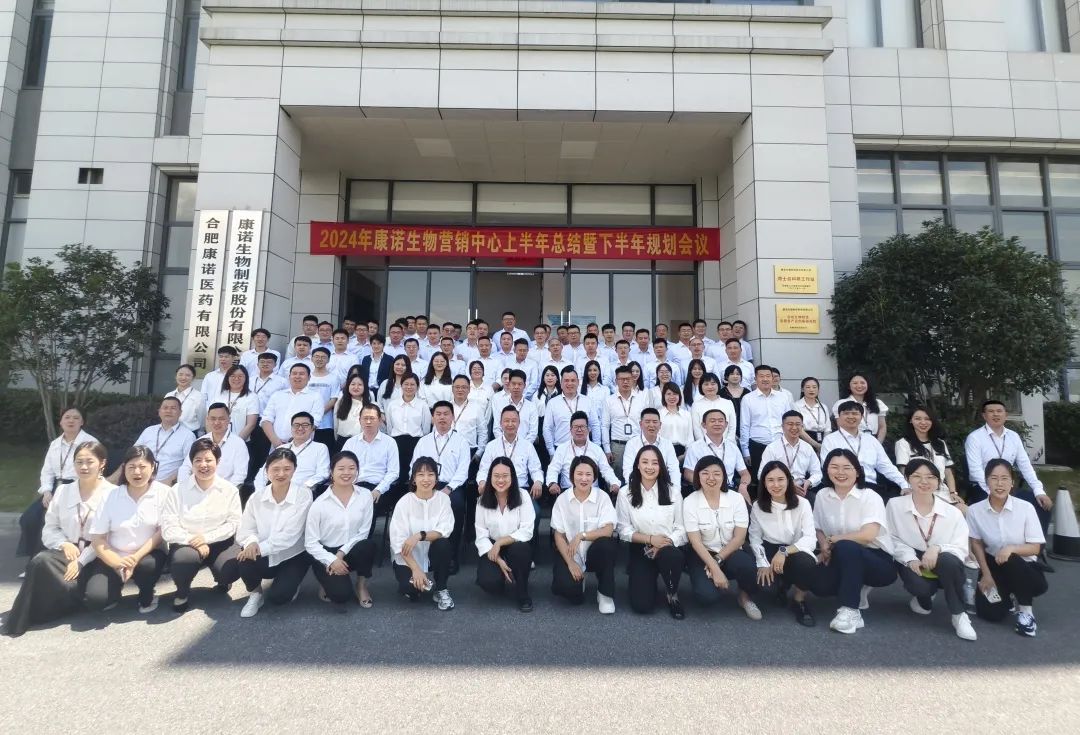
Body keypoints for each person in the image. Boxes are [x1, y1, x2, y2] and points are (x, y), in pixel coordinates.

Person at [4, 441, 112, 636]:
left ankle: (78, 595)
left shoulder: (112, 493)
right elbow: (50, 527)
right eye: (79, 462)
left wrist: (81, 561)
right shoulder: (63, 491)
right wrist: (64, 544)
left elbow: (109, 536)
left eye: (89, 462)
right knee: (40, 561)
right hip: (69, 551)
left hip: (98, 553)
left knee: (97, 599)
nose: (84, 467)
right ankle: (27, 616)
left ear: (102, 463)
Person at [886, 458, 977, 641]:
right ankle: (925, 596)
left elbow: (960, 547)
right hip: (911, 555)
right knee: (921, 588)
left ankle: (959, 615)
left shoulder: (952, 512)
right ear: (907, 479)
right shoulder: (895, 505)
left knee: (949, 562)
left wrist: (937, 548)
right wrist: (910, 558)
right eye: (917, 476)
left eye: (930, 477)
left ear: (938, 481)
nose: (924, 481)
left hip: (942, 558)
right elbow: (891, 537)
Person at [812, 449, 897, 635]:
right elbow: (818, 528)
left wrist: (834, 539)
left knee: (846, 546)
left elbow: (868, 535)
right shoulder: (822, 496)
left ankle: (850, 610)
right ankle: (856, 586)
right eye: (834, 467)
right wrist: (824, 545)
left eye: (847, 467)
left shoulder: (870, 496)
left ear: (857, 471)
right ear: (826, 470)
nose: (840, 472)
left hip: (877, 560)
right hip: (839, 554)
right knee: (819, 586)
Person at [160, 437, 242, 614]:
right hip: (187, 542)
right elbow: (168, 528)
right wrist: (193, 540)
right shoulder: (177, 490)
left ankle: (223, 580)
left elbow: (234, 523)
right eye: (198, 460)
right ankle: (182, 592)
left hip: (219, 540)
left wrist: (206, 538)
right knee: (183, 559)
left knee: (231, 568)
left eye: (208, 460)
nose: (203, 465)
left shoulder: (229, 490)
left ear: (218, 462)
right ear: (191, 463)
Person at [967, 459, 1048, 637]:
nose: (1000, 483)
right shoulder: (974, 511)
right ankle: (1008, 597)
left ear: (1012, 482)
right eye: (994, 478)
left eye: (1005, 478)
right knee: (989, 614)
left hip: (1025, 568)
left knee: (1010, 558)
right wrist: (986, 574)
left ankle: (1026, 612)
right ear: (986, 481)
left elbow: (1036, 548)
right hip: (994, 564)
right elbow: (977, 543)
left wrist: (1011, 548)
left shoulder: (1026, 508)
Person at [83, 446, 168, 614]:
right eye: (131, 467)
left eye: (142, 467)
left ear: (153, 467)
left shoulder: (163, 493)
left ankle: (147, 593)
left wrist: (135, 558)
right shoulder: (110, 496)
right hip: (113, 555)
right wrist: (117, 563)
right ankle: (115, 590)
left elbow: (160, 532)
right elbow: (98, 538)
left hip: (146, 554)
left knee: (147, 566)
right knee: (96, 600)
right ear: (124, 468)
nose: (137, 472)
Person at [234, 448, 313, 617]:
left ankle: (293, 583)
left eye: (287, 469)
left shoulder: (303, 495)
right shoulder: (257, 497)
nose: (281, 474)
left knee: (280, 598)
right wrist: (251, 543)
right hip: (264, 551)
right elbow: (246, 527)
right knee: (244, 559)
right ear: (267, 471)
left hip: (293, 554)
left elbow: (290, 535)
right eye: (275, 469)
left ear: (294, 470)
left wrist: (257, 549)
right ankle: (256, 594)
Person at [683, 455, 761, 619]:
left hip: (731, 550)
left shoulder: (736, 499)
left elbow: (739, 538)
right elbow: (696, 542)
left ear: (724, 476)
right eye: (705, 473)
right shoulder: (690, 501)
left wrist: (718, 561)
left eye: (716, 473)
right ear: (697, 476)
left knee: (748, 569)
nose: (711, 478)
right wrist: (714, 568)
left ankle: (744, 597)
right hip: (703, 553)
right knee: (706, 596)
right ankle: (712, 581)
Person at [17, 408, 97, 561]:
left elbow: (93, 470)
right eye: (67, 417)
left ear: (82, 422)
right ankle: (33, 558)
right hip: (55, 487)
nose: (71, 420)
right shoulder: (55, 444)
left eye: (76, 418)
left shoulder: (90, 443)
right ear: (61, 422)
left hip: (77, 487)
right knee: (29, 518)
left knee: (47, 519)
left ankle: (47, 560)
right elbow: (47, 471)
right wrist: (47, 491)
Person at [616, 445, 687, 618]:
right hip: (641, 547)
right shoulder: (625, 493)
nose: (650, 467)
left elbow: (682, 529)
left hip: (668, 547)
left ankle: (672, 594)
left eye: (655, 463)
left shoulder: (673, 492)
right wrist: (650, 539)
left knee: (672, 556)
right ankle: (649, 579)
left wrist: (662, 543)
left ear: (661, 466)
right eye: (645, 462)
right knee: (642, 605)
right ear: (637, 465)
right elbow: (623, 529)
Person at [964, 400, 1052, 534]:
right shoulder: (975, 438)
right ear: (984, 416)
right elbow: (975, 470)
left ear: (1005, 415)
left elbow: (1025, 465)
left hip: (1008, 487)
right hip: (983, 488)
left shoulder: (1013, 436)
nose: (995, 414)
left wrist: (1039, 490)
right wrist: (993, 491)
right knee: (995, 508)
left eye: (999, 411)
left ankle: (1036, 544)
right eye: (991, 411)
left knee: (1041, 504)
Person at [304, 451, 376, 611]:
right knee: (341, 596)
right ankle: (325, 581)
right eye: (341, 468)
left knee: (368, 545)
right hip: (325, 553)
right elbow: (310, 543)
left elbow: (364, 532)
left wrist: (341, 553)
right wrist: (332, 560)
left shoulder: (365, 495)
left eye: (352, 468)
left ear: (357, 471)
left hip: (350, 549)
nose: (346, 472)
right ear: (331, 472)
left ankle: (361, 586)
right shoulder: (319, 503)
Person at [749, 461, 819, 627]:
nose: (776, 485)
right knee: (765, 588)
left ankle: (799, 600)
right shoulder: (758, 506)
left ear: (789, 480)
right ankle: (781, 585)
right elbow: (755, 538)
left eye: (780, 479)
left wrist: (784, 551)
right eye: (770, 480)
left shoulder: (803, 504)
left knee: (807, 564)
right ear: (764, 483)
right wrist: (762, 563)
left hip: (795, 550)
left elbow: (810, 538)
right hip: (769, 549)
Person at [549, 456, 618, 613]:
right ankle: (580, 580)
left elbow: (608, 530)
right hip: (571, 553)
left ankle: (605, 593)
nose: (584, 478)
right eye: (579, 474)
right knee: (569, 591)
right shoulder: (562, 500)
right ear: (572, 475)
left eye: (588, 474)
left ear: (594, 477)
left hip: (595, 551)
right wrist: (570, 563)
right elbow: (559, 535)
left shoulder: (602, 497)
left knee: (607, 545)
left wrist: (582, 535)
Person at [410, 401, 471, 573]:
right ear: (432, 418)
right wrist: (422, 486)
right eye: (438, 414)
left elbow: (463, 471)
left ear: (452, 417)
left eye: (446, 414)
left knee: (456, 505)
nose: (442, 417)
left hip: (451, 486)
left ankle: (451, 556)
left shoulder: (461, 442)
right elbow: (413, 467)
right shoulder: (423, 441)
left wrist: (448, 489)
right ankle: (423, 555)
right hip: (426, 484)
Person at [389, 457, 456, 610]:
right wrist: (416, 569)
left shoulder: (443, 499)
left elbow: (445, 529)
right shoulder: (404, 502)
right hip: (408, 558)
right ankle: (413, 584)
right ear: (413, 479)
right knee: (411, 590)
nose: (426, 479)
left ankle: (441, 588)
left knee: (443, 544)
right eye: (421, 475)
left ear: (436, 478)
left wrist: (420, 535)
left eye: (431, 474)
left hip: (433, 553)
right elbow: (398, 542)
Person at [474, 457, 536, 612]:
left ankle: (522, 592)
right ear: (490, 477)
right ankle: (502, 575)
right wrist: (499, 560)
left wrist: (500, 542)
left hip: (515, 543)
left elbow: (527, 530)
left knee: (520, 550)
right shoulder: (482, 501)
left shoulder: (523, 496)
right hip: (492, 546)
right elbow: (481, 535)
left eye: (505, 476)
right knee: (489, 582)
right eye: (496, 476)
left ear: (512, 477)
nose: (500, 480)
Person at [818, 401, 909, 499]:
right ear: (838, 417)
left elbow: (886, 466)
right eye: (846, 413)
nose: (851, 416)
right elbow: (827, 467)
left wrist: (904, 484)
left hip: (870, 486)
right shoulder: (830, 440)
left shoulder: (871, 440)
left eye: (855, 413)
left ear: (861, 417)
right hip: (842, 486)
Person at [341, 404, 401, 526]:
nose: (368, 422)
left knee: (365, 509)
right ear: (359, 420)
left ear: (379, 420)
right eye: (365, 418)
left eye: (372, 418)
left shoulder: (390, 443)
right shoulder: (350, 443)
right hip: (353, 486)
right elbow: (341, 467)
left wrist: (379, 490)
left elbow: (393, 472)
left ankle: (361, 538)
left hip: (377, 487)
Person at [894, 407, 962, 508]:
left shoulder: (940, 443)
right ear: (910, 421)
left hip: (942, 492)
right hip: (918, 491)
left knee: (965, 510)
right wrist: (908, 488)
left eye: (927, 419)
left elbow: (948, 471)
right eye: (918, 419)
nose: (923, 422)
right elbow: (903, 470)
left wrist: (953, 492)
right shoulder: (903, 443)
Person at [683, 410, 751, 503]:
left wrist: (743, 486)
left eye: (720, 421)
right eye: (712, 421)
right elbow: (688, 474)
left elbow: (745, 473)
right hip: (705, 489)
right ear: (704, 425)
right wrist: (707, 483)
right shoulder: (695, 447)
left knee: (746, 505)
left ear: (726, 424)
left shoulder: (733, 447)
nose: (717, 423)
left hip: (730, 489)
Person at [546, 411, 621, 497]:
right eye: (576, 427)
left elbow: (606, 470)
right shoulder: (561, 449)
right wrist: (552, 483)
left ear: (588, 429)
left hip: (592, 492)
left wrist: (614, 483)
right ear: (570, 430)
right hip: (568, 492)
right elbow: (553, 469)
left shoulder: (596, 449)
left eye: (582, 427)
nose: (579, 430)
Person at [125, 397, 196, 486]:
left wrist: (168, 482)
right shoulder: (148, 431)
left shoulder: (188, 436)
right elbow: (131, 456)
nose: (168, 411)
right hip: (140, 482)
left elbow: (189, 465)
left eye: (173, 408)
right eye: (165, 408)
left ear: (180, 413)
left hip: (167, 485)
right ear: (159, 412)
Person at [739, 365, 793, 481]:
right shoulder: (748, 399)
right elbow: (744, 426)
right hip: (758, 446)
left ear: (772, 378)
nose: (765, 379)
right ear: (755, 379)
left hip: (780, 444)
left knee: (783, 478)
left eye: (768, 376)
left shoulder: (783, 397)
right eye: (761, 376)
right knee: (761, 480)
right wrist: (745, 451)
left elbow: (789, 422)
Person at [253, 411, 330, 492]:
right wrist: (260, 491)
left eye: (305, 425)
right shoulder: (281, 448)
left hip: (303, 492)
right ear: (291, 428)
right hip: (276, 491)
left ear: (312, 428)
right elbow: (264, 472)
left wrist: (303, 487)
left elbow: (323, 473)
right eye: (296, 425)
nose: (300, 428)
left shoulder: (320, 448)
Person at [177, 403, 249, 487]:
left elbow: (240, 475)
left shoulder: (238, 444)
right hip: (197, 489)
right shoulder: (200, 441)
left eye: (221, 419)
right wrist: (185, 487)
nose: (216, 422)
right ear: (207, 420)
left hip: (224, 490)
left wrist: (226, 492)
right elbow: (185, 468)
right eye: (213, 419)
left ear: (229, 420)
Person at [261, 364, 325, 450]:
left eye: (301, 374)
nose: (297, 376)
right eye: (294, 373)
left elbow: (315, 422)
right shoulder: (277, 395)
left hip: (301, 446)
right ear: (289, 376)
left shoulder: (316, 397)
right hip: (276, 445)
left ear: (309, 377)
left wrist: (293, 442)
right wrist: (275, 441)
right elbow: (266, 419)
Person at [759, 411, 822, 497]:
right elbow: (761, 474)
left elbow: (817, 472)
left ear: (802, 426)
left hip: (802, 490)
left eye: (798, 424)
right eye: (790, 424)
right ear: (782, 426)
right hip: (778, 489)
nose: (794, 427)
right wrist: (787, 485)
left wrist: (809, 482)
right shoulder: (772, 448)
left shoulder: (807, 448)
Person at [542, 368, 602, 457]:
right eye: (566, 380)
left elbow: (595, 425)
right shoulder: (552, 403)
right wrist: (552, 452)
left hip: (585, 450)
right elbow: (547, 428)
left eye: (573, 380)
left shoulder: (587, 401)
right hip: (561, 450)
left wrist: (596, 447)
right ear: (561, 383)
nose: (570, 383)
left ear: (578, 382)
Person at [385, 374, 430, 480]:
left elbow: (426, 428)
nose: (409, 387)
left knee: (413, 473)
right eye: (406, 384)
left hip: (416, 443)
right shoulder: (392, 405)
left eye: (412, 384)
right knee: (397, 474)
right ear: (401, 385)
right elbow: (389, 427)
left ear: (417, 387)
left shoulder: (423, 405)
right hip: (396, 443)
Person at [605, 366, 646, 480]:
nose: (625, 382)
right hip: (617, 445)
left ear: (633, 380)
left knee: (638, 477)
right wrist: (607, 449)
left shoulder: (641, 400)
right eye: (622, 379)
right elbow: (605, 426)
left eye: (628, 379)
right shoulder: (609, 401)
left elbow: (645, 424)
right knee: (617, 480)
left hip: (637, 444)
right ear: (616, 381)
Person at [620, 408, 680, 484]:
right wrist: (634, 487)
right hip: (638, 484)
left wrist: (675, 488)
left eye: (655, 422)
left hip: (662, 484)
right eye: (647, 422)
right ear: (641, 424)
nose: (651, 425)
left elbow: (674, 469)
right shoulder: (632, 443)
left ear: (660, 425)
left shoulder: (667, 444)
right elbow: (628, 469)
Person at [831, 373, 888, 441]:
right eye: (855, 383)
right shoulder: (841, 403)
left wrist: (878, 443)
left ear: (868, 384)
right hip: (852, 440)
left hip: (874, 440)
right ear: (849, 386)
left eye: (862, 383)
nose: (859, 386)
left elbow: (882, 427)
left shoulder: (878, 403)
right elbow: (841, 427)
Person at [490, 369, 539, 445]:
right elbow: (497, 428)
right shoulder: (500, 404)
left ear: (524, 386)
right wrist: (505, 444)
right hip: (503, 446)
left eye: (519, 384)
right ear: (509, 384)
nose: (516, 387)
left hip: (525, 448)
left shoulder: (531, 406)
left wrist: (521, 446)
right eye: (513, 384)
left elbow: (533, 433)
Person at [307, 348, 343, 449]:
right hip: (306, 422)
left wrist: (317, 414)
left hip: (326, 424)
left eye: (323, 357)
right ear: (312, 359)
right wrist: (308, 416)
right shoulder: (306, 377)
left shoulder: (334, 378)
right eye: (317, 357)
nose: (319, 359)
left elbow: (333, 399)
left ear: (328, 360)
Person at [690, 372, 736, 444]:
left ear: (718, 385)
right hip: (704, 446)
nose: (710, 387)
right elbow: (696, 428)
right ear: (701, 387)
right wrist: (704, 444)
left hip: (727, 444)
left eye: (713, 384)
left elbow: (732, 426)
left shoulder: (728, 403)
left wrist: (727, 443)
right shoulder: (696, 405)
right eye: (706, 384)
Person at [218, 365, 260, 440]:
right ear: (227, 378)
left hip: (240, 441)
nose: (236, 379)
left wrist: (237, 442)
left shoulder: (252, 397)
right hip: (218, 440)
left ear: (246, 378)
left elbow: (251, 424)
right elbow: (209, 418)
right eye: (233, 376)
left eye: (240, 376)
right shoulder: (220, 394)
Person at [450, 374, 489, 452]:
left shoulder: (477, 407)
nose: (460, 390)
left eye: (464, 387)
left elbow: (482, 432)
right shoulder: (446, 407)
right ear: (452, 389)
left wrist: (479, 453)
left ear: (469, 389)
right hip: (448, 448)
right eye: (457, 387)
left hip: (469, 449)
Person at [166, 364, 206, 434]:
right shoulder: (169, 395)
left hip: (190, 433)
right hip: (169, 432)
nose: (183, 378)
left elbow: (202, 419)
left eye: (187, 375)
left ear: (193, 378)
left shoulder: (199, 397)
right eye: (180, 374)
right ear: (176, 376)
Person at [333, 374, 369, 450]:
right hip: (343, 441)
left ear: (365, 387)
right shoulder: (340, 403)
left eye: (360, 385)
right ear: (348, 386)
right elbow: (336, 424)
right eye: (353, 384)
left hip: (362, 442)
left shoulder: (369, 405)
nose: (356, 387)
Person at [658, 383, 693, 459]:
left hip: (683, 453)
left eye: (675, 394)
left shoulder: (686, 414)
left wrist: (686, 454)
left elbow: (690, 438)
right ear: (664, 396)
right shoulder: (659, 414)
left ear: (679, 396)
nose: (672, 397)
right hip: (663, 452)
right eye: (668, 394)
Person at [794, 376, 828, 451]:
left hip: (823, 443)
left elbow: (828, 428)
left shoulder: (823, 407)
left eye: (814, 387)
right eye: (808, 387)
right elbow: (799, 429)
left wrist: (824, 445)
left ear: (818, 389)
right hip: (804, 441)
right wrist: (816, 445)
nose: (811, 390)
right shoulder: (796, 406)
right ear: (802, 389)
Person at [359, 333, 394, 399]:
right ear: (371, 345)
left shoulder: (389, 359)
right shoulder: (366, 359)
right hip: (367, 391)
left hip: (382, 391)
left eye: (379, 343)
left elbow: (391, 376)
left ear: (383, 345)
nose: (376, 346)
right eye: (374, 343)